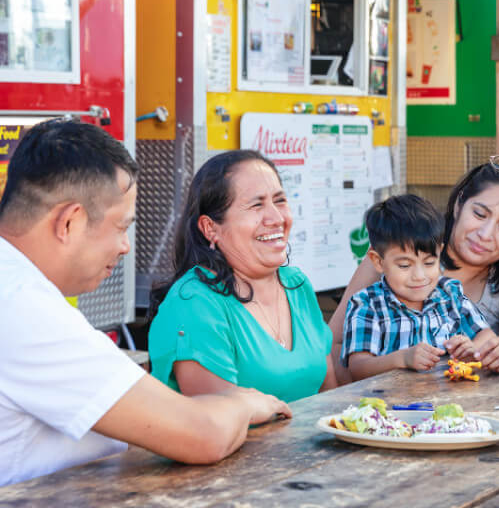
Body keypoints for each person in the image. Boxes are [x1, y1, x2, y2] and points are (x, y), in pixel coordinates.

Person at [0, 120, 291, 487]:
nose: (125, 247)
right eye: (121, 228)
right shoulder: (24, 309)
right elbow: (202, 435)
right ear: (70, 222)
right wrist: (246, 403)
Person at [331, 155, 499, 382]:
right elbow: (332, 343)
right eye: (479, 214)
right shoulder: (394, 253)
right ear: (459, 203)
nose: (485, 234)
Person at [148, 150, 336, 403]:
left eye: (279, 201)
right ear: (210, 228)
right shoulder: (194, 303)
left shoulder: (296, 284)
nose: (277, 218)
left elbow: (330, 398)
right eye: (257, 205)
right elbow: (219, 422)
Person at [341, 194, 492, 381]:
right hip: (392, 405)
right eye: (405, 265)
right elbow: (358, 367)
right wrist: (402, 358)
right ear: (378, 261)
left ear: (439, 253)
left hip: (449, 403)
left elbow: (486, 335)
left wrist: (472, 349)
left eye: (429, 263)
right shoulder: (368, 304)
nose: (419, 276)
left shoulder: (450, 295)